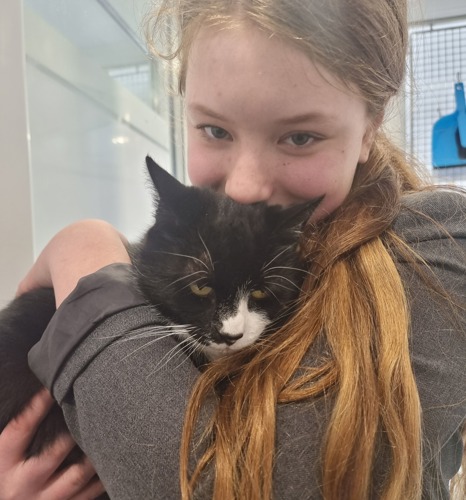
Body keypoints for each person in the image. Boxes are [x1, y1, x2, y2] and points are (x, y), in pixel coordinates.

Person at [1, 0, 465, 498]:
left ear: (371, 125)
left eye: (300, 136)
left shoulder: (437, 246)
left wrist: (85, 254)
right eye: (215, 130)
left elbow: (234, 485)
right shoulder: (207, 244)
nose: (243, 188)